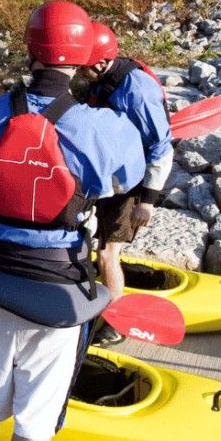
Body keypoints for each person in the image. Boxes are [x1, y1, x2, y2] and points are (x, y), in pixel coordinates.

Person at [0, 1, 146, 441]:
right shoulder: (101, 127)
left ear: (29, 50)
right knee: (37, 409)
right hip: (61, 289)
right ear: (82, 57)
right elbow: (130, 177)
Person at [81, 21, 173, 343]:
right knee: (97, 242)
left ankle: (115, 324)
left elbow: (162, 146)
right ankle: (101, 289)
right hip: (112, 174)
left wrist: (148, 200)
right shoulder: (102, 79)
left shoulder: (137, 91)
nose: (79, 72)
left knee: (107, 252)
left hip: (134, 181)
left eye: (83, 66)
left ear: (102, 62)